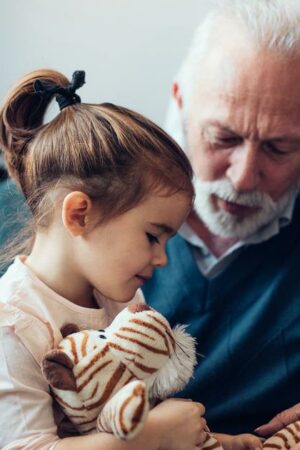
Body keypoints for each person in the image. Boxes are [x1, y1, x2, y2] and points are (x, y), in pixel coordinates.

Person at [0, 68, 205, 450]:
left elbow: (137, 411)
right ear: (80, 214)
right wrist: (155, 436)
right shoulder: (13, 323)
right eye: (152, 236)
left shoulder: (121, 299)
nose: (163, 259)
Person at [142, 0, 300, 437]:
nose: (244, 176)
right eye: (223, 137)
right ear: (180, 102)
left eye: (278, 148)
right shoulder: (82, 203)